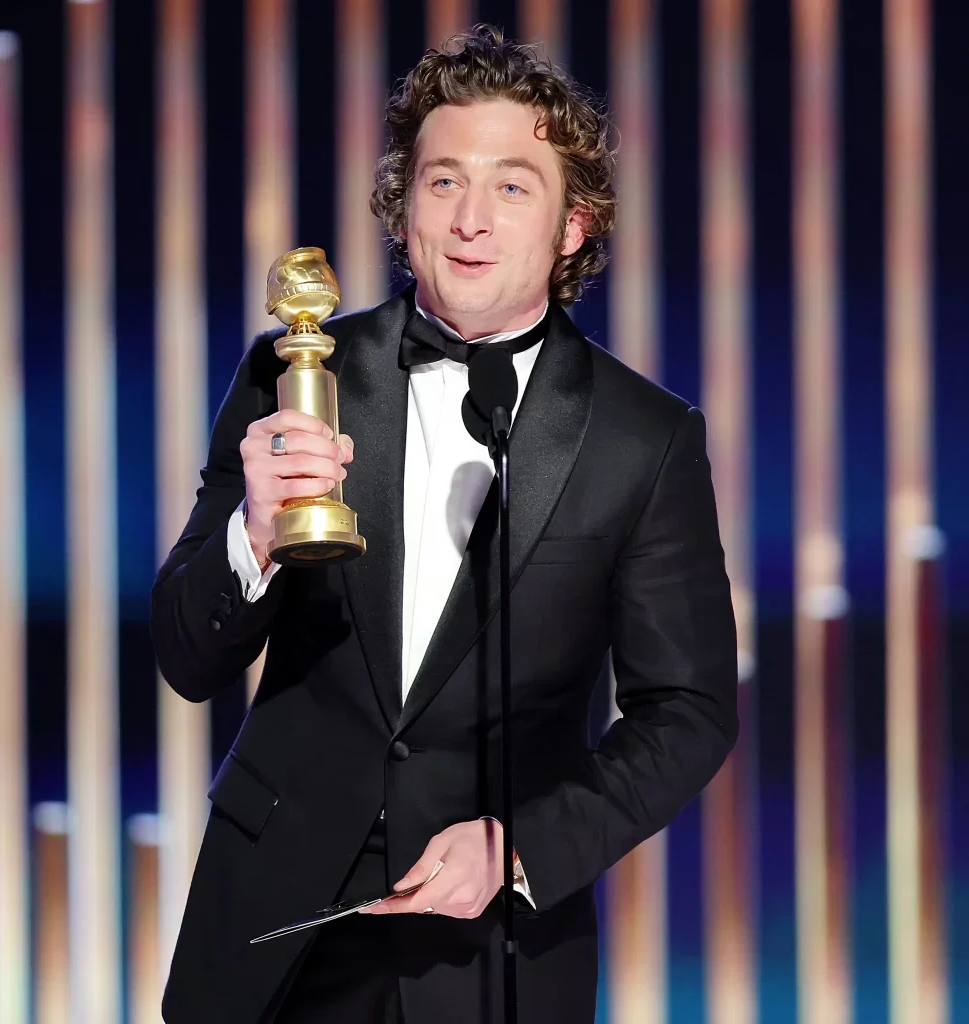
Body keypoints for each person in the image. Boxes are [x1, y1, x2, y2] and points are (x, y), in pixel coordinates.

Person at [153, 25, 738, 1024]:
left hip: (495, 953)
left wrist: (521, 846)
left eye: (511, 186)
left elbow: (688, 710)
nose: (470, 220)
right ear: (403, 206)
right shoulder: (293, 377)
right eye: (442, 183)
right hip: (274, 936)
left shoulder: (644, 439)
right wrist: (252, 535)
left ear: (573, 226)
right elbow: (187, 655)